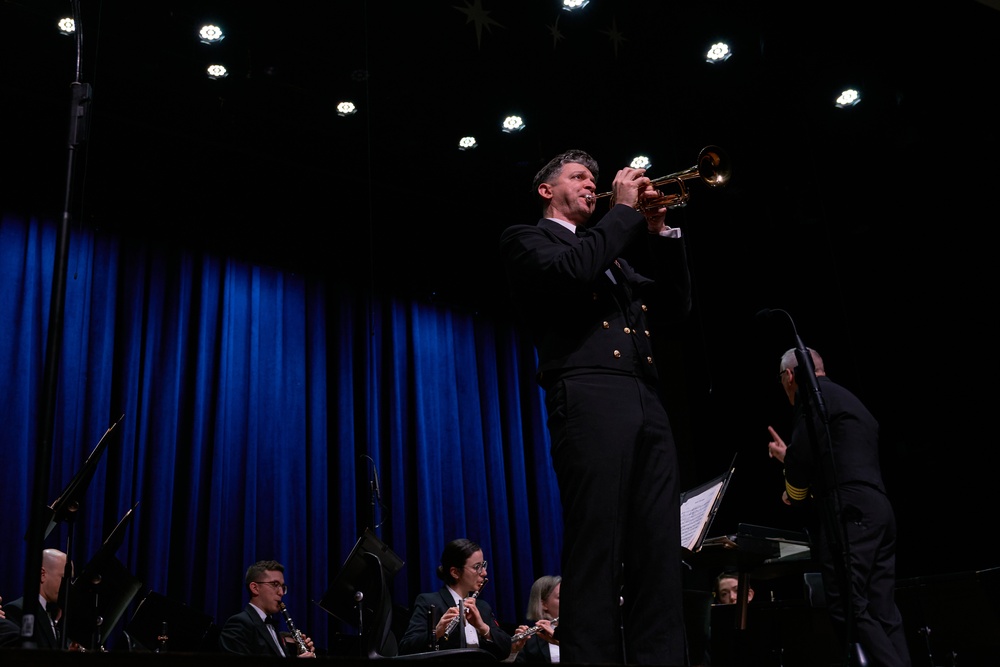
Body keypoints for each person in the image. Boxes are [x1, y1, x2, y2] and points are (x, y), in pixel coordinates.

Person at [498, 149, 691, 664]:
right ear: (547, 190)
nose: (591, 185)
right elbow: (572, 272)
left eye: (595, 179)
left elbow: (675, 305)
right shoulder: (527, 239)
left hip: (644, 395)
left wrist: (656, 230)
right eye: (579, 177)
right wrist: (624, 213)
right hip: (587, 393)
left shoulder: (616, 250)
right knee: (597, 543)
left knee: (657, 549)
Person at [766, 347, 911, 667]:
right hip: (879, 508)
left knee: (846, 602)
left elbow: (800, 469)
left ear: (790, 375)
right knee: (883, 608)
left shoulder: (812, 399)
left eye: (781, 378)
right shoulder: (848, 399)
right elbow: (836, 461)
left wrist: (790, 473)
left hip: (850, 512)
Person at [397, 538, 512, 659]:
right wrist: (436, 633)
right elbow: (405, 649)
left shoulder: (482, 607)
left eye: (483, 565)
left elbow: (505, 649)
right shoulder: (430, 602)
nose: (484, 572)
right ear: (455, 572)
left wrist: (483, 628)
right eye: (477, 567)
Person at [218, 559, 316, 658]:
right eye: (275, 585)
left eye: (282, 587)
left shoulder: (272, 627)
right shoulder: (239, 624)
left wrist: (300, 654)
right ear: (255, 588)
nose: (281, 593)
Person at [3, 548, 68, 649]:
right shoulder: (17, 610)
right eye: (64, 578)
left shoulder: (55, 613)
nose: (68, 587)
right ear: (42, 575)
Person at [510, 575, 561, 663]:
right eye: (560, 597)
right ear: (544, 604)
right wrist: (513, 651)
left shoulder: (583, 633)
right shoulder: (529, 642)